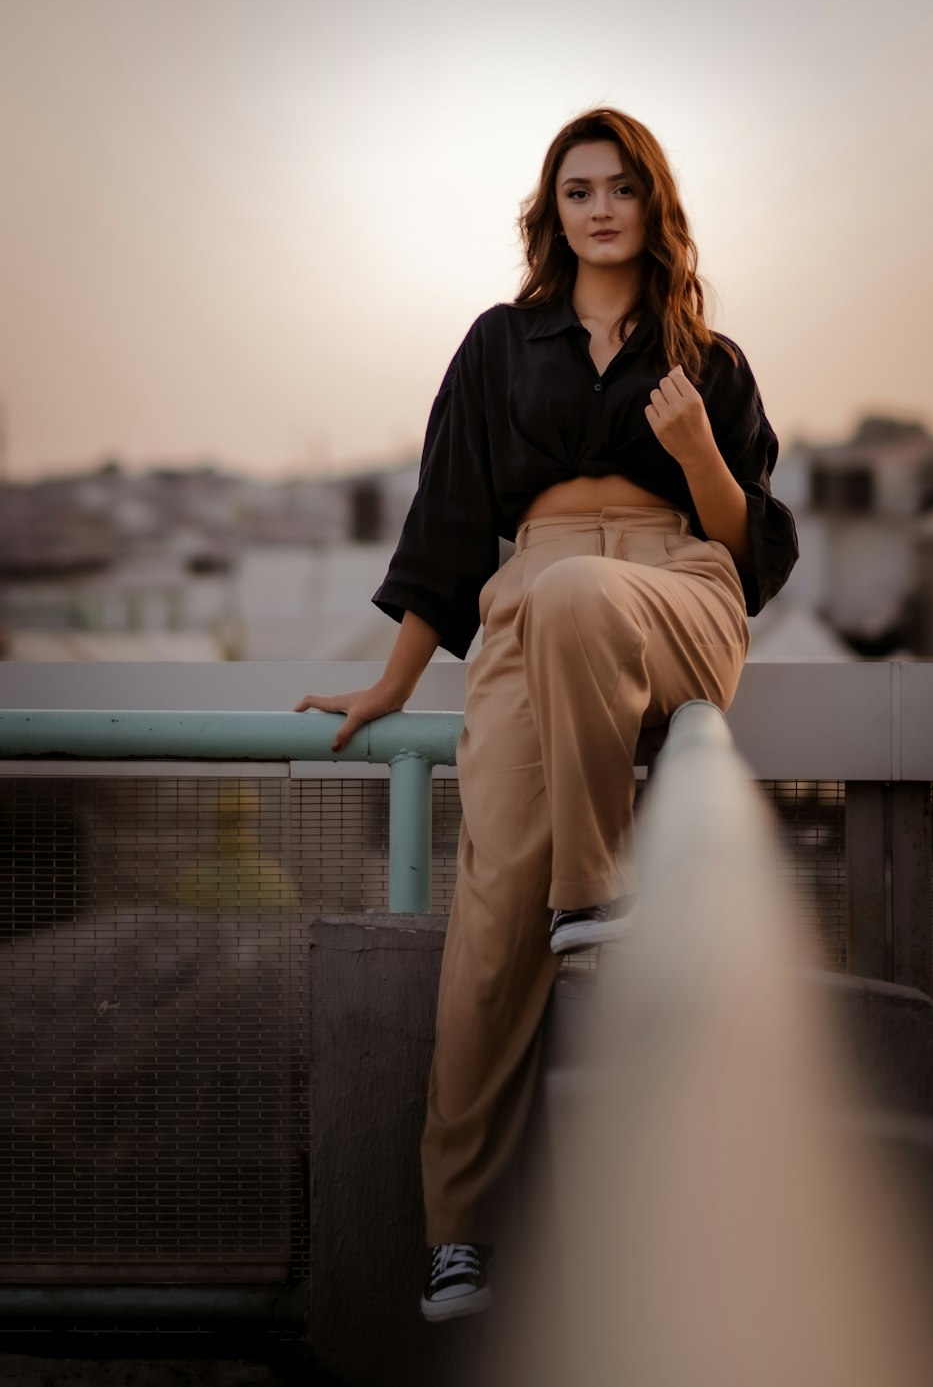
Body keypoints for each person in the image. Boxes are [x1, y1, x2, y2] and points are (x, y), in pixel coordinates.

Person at [293, 107, 799, 1322]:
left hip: (681, 585)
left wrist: (699, 455)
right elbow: (451, 522)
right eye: (577, 190)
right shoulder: (498, 345)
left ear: (652, 204)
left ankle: (593, 892)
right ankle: (454, 1233)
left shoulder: (708, 363)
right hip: (529, 600)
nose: (600, 207)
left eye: (621, 187)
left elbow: (757, 546)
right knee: (485, 919)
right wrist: (394, 682)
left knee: (581, 598)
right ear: (552, 211)